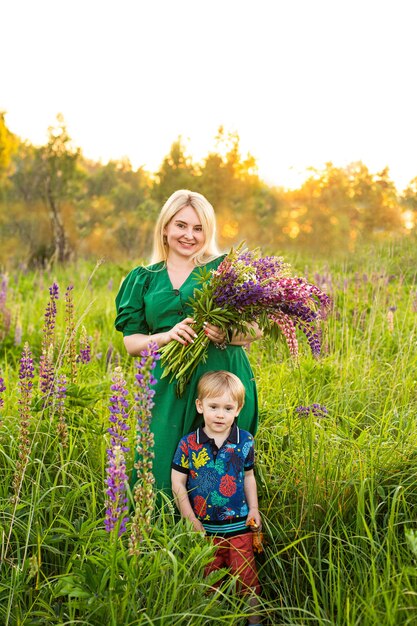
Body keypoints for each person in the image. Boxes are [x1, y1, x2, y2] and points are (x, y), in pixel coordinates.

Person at [115, 189, 262, 493]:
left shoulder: (224, 270)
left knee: (220, 474)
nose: (189, 235)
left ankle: (223, 538)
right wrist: (165, 336)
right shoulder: (143, 278)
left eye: (198, 228)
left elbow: (256, 328)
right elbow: (132, 343)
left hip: (221, 382)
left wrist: (228, 334)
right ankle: (156, 536)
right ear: (165, 227)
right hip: (168, 385)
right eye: (181, 225)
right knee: (158, 465)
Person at [171, 370, 262, 625]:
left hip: (239, 528)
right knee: (209, 583)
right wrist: (189, 518)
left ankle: (254, 621)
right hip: (204, 531)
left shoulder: (244, 441)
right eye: (213, 406)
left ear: (238, 408)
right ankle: (212, 619)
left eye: (227, 407)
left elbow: (248, 477)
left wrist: (254, 508)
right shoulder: (189, 443)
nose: (220, 414)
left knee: (247, 581)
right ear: (200, 406)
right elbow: (178, 482)